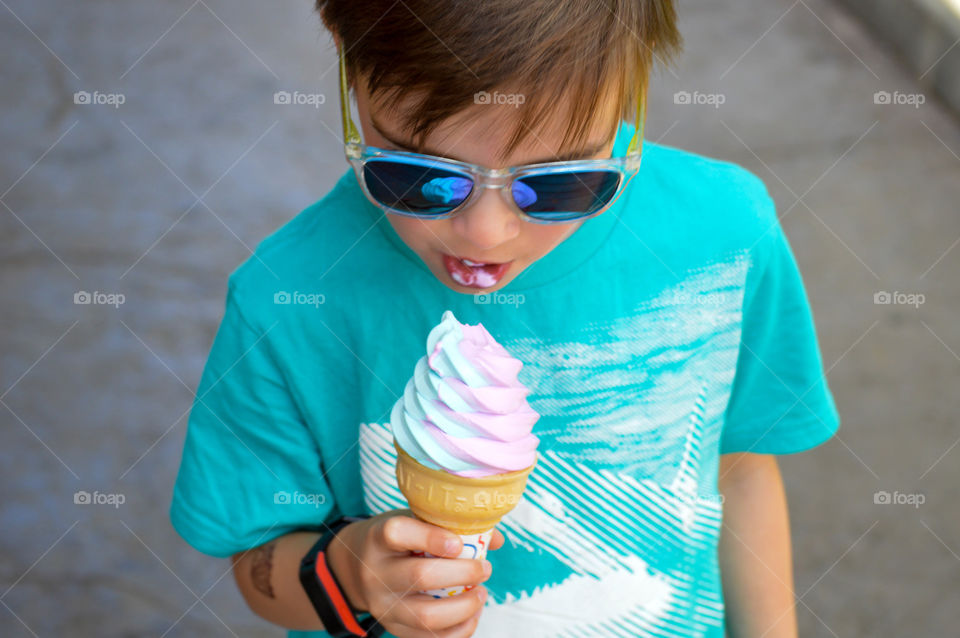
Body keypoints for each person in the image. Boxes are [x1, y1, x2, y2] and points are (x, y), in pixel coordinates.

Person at [169, 1, 840, 636]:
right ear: (349, 64)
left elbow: (740, 468)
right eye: (421, 178)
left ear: (634, 92)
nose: (484, 237)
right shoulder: (288, 297)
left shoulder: (722, 236)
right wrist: (348, 575)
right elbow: (257, 563)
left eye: (558, 183)